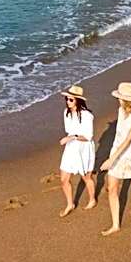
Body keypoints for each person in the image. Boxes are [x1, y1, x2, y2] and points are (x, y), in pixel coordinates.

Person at [99, 82, 131, 236]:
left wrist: (111, 159)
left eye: (119, 97)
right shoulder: (120, 110)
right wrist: (113, 155)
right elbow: (119, 135)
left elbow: (129, 139)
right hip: (117, 151)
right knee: (112, 188)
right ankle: (115, 225)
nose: (118, 99)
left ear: (126, 100)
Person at [58, 85, 97, 218]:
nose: (68, 102)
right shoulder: (66, 112)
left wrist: (72, 137)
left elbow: (88, 136)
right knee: (64, 179)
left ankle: (92, 199)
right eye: (67, 99)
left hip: (84, 148)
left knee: (86, 177)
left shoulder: (87, 116)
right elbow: (69, 129)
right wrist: (70, 139)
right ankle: (70, 204)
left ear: (78, 101)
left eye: (71, 100)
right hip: (71, 147)